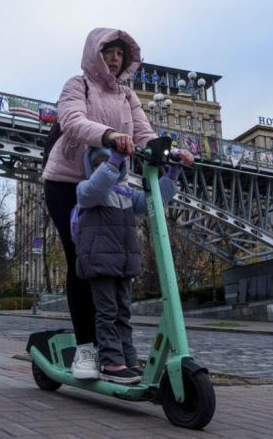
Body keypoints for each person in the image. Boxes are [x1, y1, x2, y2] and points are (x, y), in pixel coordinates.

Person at [43, 27, 164, 379]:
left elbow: (144, 133)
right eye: (108, 51)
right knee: (82, 262)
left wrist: (169, 151)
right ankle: (85, 351)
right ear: (95, 54)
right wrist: (109, 135)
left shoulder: (128, 96)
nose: (115, 58)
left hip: (110, 183)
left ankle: (115, 351)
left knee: (112, 266)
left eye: (120, 53)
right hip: (67, 184)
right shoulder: (76, 85)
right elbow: (72, 120)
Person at [73, 146, 191, 383]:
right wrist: (115, 158)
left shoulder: (126, 195)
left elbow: (154, 201)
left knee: (123, 314)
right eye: (98, 165)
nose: (105, 168)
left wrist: (173, 173)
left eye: (109, 163)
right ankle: (110, 361)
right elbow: (97, 186)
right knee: (107, 313)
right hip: (100, 262)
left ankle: (127, 359)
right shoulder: (86, 191)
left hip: (123, 264)